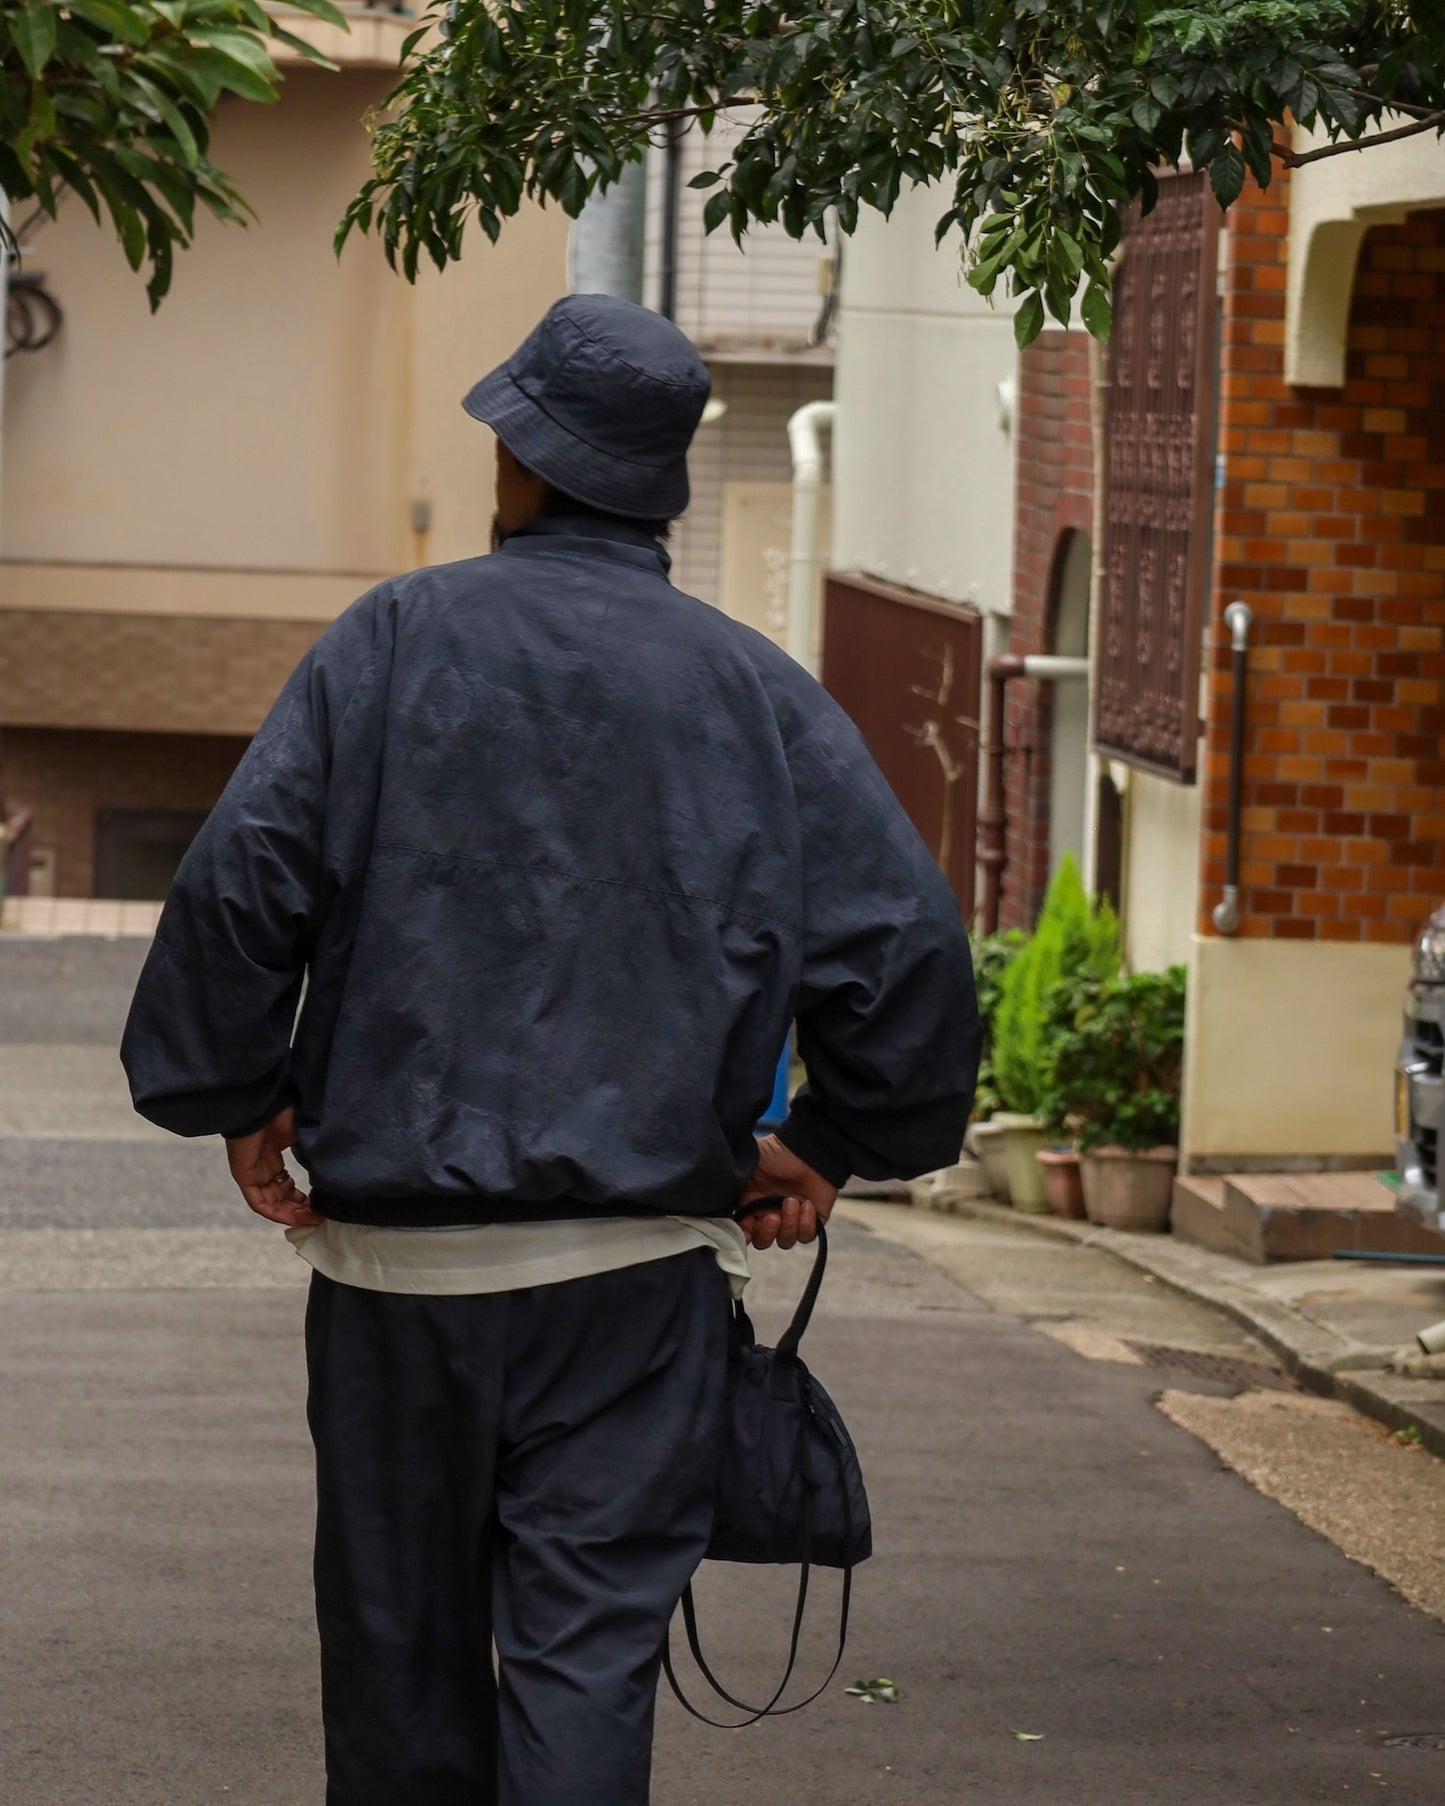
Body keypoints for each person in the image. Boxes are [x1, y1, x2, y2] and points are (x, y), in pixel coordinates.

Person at [121, 294, 979, 1806]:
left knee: (398, 1669)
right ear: (660, 488)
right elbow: (904, 953)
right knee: (586, 1667)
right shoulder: (753, 691)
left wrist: (237, 1092)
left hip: (396, 1281)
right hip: (631, 1289)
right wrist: (838, 1140)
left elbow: (241, 883)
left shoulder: (388, 643)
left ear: (519, 461)